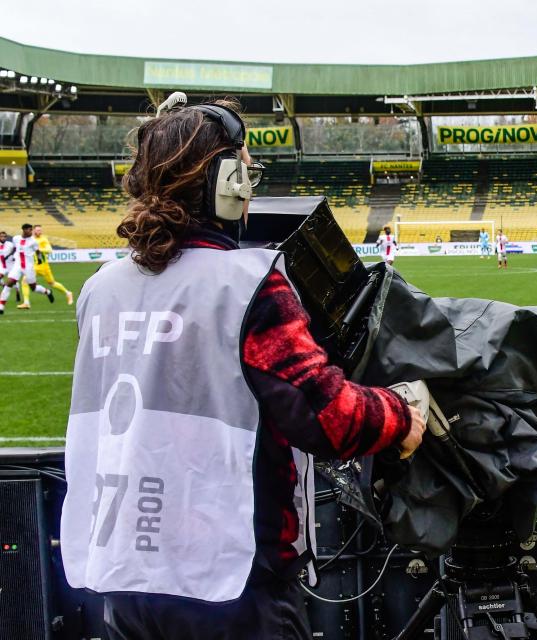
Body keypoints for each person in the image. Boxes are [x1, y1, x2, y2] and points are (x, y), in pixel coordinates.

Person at [60, 95, 425, 640]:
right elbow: (329, 418)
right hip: (227, 582)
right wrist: (401, 412)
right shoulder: (247, 284)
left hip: (124, 576)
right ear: (228, 180)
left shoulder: (98, 291)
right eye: (248, 168)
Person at [1, 223, 55, 313]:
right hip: (17, 266)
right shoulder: (16, 238)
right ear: (24, 230)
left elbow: (37, 251)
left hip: (28, 267)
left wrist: (39, 259)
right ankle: (1, 307)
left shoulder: (33, 241)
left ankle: (47, 292)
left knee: (33, 288)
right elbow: (15, 248)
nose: (31, 231)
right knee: (8, 283)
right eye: (29, 230)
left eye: (31, 230)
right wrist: (11, 255)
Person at [31, 225, 75, 305]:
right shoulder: (30, 239)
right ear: (33, 231)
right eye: (38, 230)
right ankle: (26, 302)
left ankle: (68, 293)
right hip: (33, 266)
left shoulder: (43, 239)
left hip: (43, 266)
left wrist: (39, 250)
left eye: (40, 230)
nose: (40, 232)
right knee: (25, 280)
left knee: (52, 283)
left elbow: (50, 250)